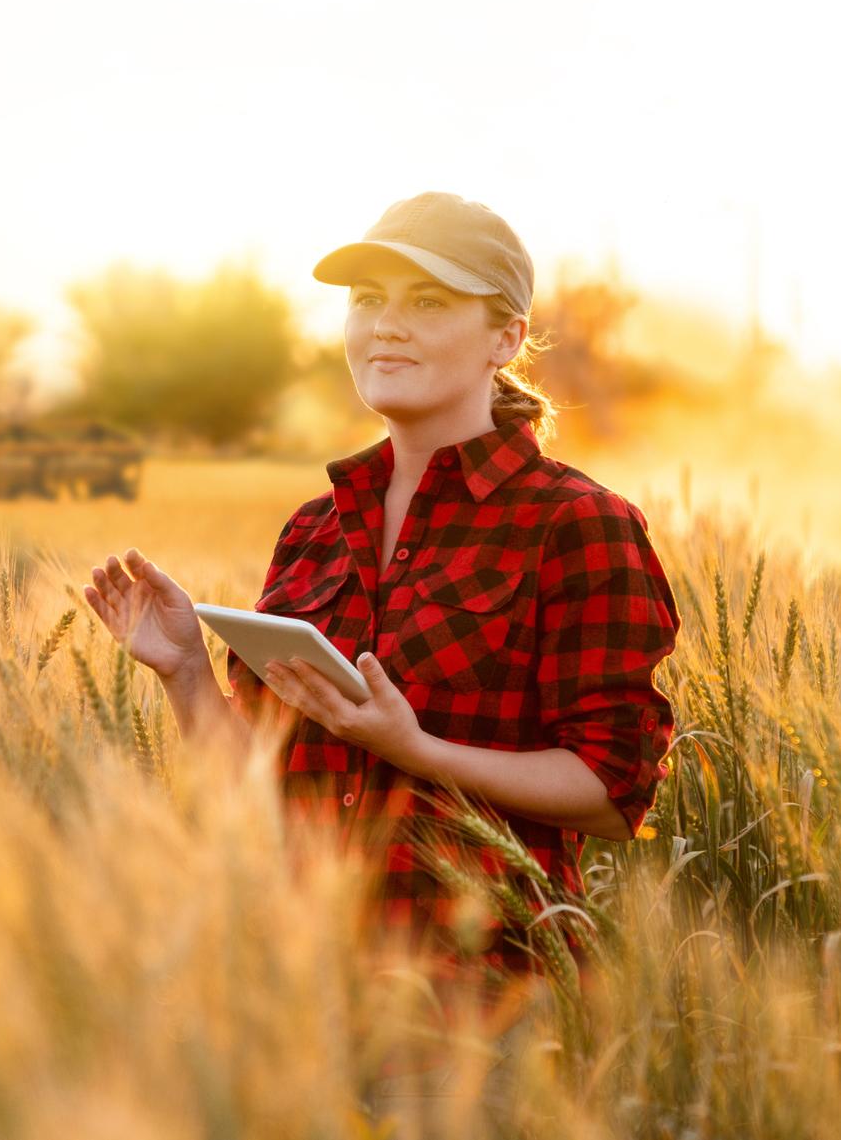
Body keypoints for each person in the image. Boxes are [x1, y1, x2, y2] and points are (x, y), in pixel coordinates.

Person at [81, 191, 681, 1097]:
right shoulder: (315, 531)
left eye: (427, 303)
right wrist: (187, 678)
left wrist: (415, 751)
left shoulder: (577, 525)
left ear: (505, 337)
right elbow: (266, 792)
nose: (385, 328)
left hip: (483, 1011)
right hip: (298, 992)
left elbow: (611, 791)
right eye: (366, 301)